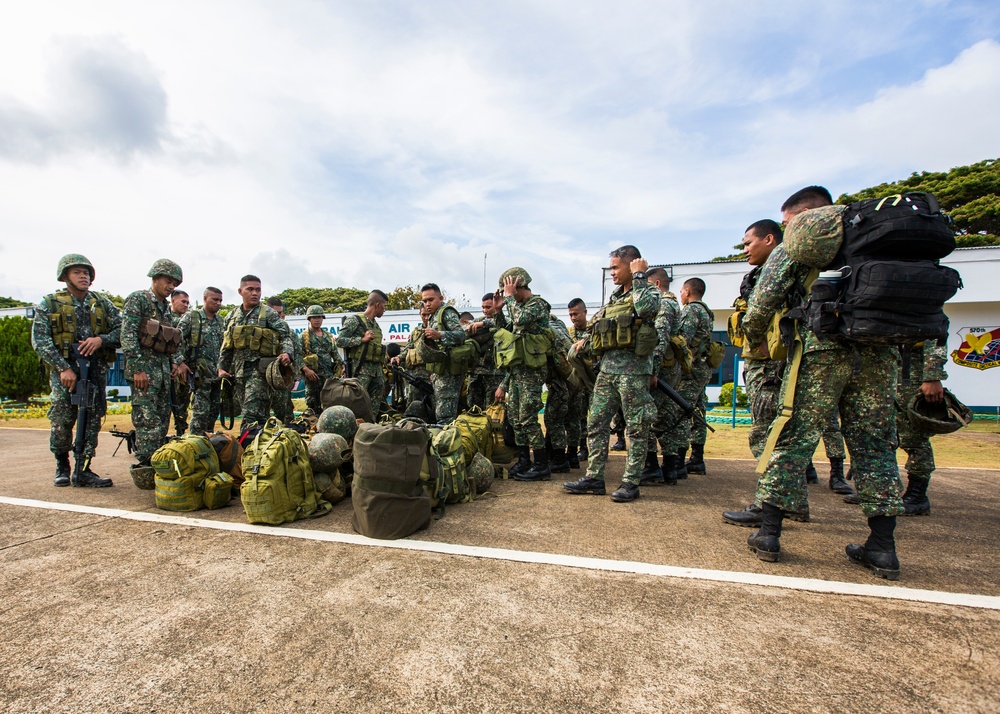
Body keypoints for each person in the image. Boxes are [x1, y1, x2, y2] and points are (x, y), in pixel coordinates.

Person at [742, 186, 904, 580]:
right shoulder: (881, 238)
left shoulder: (808, 237)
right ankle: (882, 548)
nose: (787, 231)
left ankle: (769, 534)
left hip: (823, 350)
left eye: (786, 223)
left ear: (804, 215)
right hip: (880, 353)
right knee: (875, 445)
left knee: (791, 436)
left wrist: (756, 335)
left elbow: (764, 299)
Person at [724, 220, 814, 526]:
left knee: (766, 436)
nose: (745, 249)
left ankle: (767, 503)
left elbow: (762, 317)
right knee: (782, 437)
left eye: (749, 243)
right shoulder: (787, 271)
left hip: (770, 366)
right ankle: (796, 504)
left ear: (770, 239)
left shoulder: (781, 271)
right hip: (772, 363)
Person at [563, 246, 659, 502]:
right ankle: (594, 477)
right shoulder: (615, 298)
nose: (612, 273)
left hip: (634, 371)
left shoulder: (647, 289)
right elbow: (600, 325)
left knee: (636, 428)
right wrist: (584, 342)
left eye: (616, 267)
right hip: (607, 370)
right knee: (596, 423)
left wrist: (640, 277)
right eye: (611, 268)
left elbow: (648, 309)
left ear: (632, 265)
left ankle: (631, 482)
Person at [31, 254, 122, 487]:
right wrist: (62, 368)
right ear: (65, 276)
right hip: (66, 372)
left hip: (94, 370)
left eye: (87, 272)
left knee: (92, 419)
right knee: (62, 420)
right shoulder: (50, 303)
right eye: (77, 272)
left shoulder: (101, 303)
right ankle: (62, 465)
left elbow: (123, 329)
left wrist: (101, 339)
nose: (84, 276)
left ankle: (83, 468)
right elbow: (40, 340)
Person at [121, 259, 185, 477]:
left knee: (161, 419)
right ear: (155, 277)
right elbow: (127, 335)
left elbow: (170, 339)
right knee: (147, 419)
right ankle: (146, 466)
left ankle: (156, 462)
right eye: (168, 281)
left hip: (162, 373)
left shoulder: (165, 308)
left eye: (174, 283)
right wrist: (138, 368)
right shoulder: (138, 299)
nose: (171, 287)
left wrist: (175, 363)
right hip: (144, 373)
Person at [493, 267, 552, 481]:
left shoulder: (537, 304)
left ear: (518, 286)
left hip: (532, 372)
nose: (507, 294)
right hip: (517, 371)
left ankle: (542, 465)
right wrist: (499, 311)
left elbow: (520, 320)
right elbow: (507, 331)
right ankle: (525, 461)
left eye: (509, 289)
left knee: (528, 418)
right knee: (516, 419)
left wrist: (508, 299)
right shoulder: (517, 307)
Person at [217, 275, 294, 430]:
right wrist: (221, 368)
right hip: (239, 373)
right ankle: (259, 445)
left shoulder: (268, 314)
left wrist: (287, 353)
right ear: (240, 291)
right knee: (257, 414)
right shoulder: (232, 317)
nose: (255, 293)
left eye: (258, 290)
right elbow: (227, 346)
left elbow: (285, 336)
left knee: (250, 413)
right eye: (250, 289)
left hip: (260, 372)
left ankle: (247, 442)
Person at [894, 341, 948, 515]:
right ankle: (883, 491)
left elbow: (935, 335)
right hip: (886, 369)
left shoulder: (920, 312)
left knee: (913, 436)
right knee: (882, 433)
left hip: (910, 373)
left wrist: (932, 376)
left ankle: (917, 496)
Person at [643, 267, 684, 484]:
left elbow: (659, 339)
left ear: (656, 285)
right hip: (669, 371)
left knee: (646, 416)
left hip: (661, 372)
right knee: (666, 418)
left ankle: (651, 467)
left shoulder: (664, 304)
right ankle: (670, 469)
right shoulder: (673, 303)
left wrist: (652, 372)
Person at [675, 277, 714, 474]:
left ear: (688, 291)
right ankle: (697, 458)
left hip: (690, 371)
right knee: (698, 411)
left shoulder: (691, 310)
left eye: (682, 291)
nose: (680, 295)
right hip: (703, 369)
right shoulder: (707, 312)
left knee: (683, 411)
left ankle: (679, 461)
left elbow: (683, 341)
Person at [172, 287, 225, 435]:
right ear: (205, 299)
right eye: (215, 299)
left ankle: (208, 442)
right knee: (200, 413)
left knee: (213, 412)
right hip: (199, 376)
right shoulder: (192, 317)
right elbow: (176, 340)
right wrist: (180, 362)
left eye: (220, 300)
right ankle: (195, 443)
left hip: (216, 376)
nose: (218, 303)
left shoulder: (221, 321)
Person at [416, 283, 469, 423]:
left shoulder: (446, 312)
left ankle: (447, 441)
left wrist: (440, 334)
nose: (427, 304)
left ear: (441, 297)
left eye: (431, 300)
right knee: (441, 410)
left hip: (450, 372)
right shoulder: (434, 316)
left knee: (445, 414)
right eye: (424, 301)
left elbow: (461, 334)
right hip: (441, 371)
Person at [337, 290, 388, 418]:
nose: (384, 310)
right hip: (360, 370)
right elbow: (340, 341)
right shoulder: (355, 320)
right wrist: (361, 340)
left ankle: (371, 427)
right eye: (384, 306)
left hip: (376, 371)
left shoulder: (376, 326)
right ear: (377, 305)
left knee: (374, 404)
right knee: (357, 402)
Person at [299, 304, 344, 414]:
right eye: (314, 317)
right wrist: (306, 370)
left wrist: (342, 366)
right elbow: (297, 357)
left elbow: (335, 353)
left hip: (328, 376)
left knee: (329, 403)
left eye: (319, 317)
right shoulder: (304, 336)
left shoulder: (328, 336)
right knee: (313, 405)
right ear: (309, 319)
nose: (317, 320)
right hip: (312, 377)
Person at [465, 293, 505, 410]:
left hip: (494, 375)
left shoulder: (502, 321)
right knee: (473, 409)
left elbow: (502, 323)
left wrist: (483, 324)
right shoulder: (477, 321)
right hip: (476, 374)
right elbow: (464, 329)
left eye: (488, 307)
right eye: (483, 307)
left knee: (492, 410)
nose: (484, 310)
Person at [565, 298, 592, 467]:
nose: (573, 318)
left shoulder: (593, 330)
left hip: (592, 380)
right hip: (576, 382)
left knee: (593, 416)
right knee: (577, 416)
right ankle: (581, 447)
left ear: (585, 312)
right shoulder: (568, 333)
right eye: (570, 315)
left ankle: (590, 447)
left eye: (576, 314)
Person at [266, 297, 297, 424]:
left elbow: (297, 354)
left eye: (280, 313)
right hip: (262, 375)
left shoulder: (287, 332)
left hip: (282, 377)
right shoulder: (258, 328)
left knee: (285, 412)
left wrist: (293, 377)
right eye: (275, 313)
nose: (278, 316)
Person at [168, 289, 191, 435]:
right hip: (171, 368)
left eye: (188, 302)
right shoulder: (167, 319)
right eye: (183, 301)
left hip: (185, 369)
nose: (186, 305)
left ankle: (180, 431)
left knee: (182, 403)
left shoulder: (188, 320)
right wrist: (178, 362)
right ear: (173, 301)